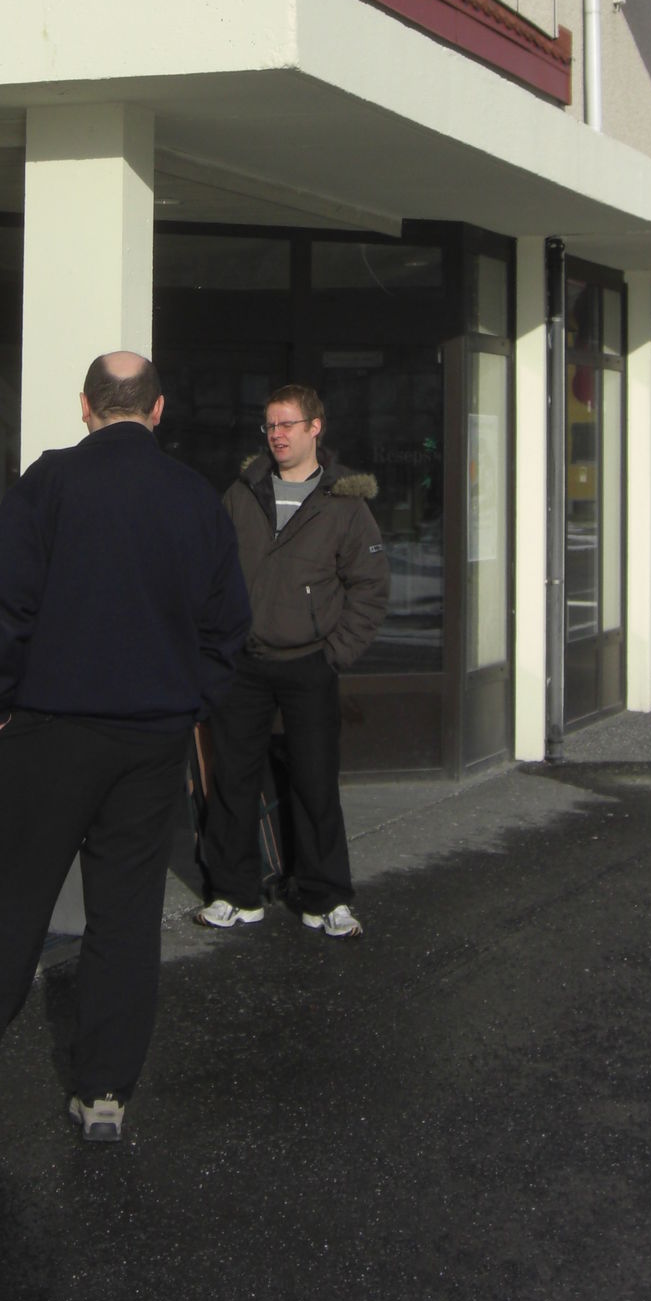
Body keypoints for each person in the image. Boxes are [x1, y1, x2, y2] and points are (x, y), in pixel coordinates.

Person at [0, 352, 250, 1141]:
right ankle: (104, 1091)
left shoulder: (49, 483)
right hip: (151, 736)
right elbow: (228, 625)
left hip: (48, 732)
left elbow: (1, 605)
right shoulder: (193, 496)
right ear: (157, 410)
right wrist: (189, 701)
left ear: (86, 406)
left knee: (15, 904)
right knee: (125, 915)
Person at [194, 383, 389, 940]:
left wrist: (335, 654)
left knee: (315, 783)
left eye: (287, 425)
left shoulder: (344, 503)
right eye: (270, 426)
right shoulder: (243, 493)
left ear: (314, 428)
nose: (276, 435)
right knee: (233, 781)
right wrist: (217, 642)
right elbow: (211, 571)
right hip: (245, 662)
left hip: (309, 663)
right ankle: (235, 894)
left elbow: (370, 587)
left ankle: (325, 897)